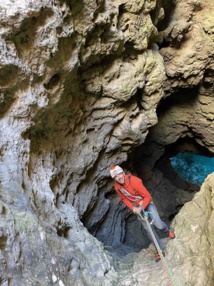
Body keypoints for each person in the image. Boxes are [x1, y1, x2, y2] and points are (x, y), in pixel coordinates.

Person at [110, 165, 175, 262]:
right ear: (114, 179)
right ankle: (160, 251)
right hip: (136, 207)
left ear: (123, 173)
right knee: (149, 230)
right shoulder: (117, 187)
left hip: (147, 203)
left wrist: (141, 207)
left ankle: (166, 231)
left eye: (119, 174)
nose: (119, 177)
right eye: (116, 176)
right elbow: (124, 199)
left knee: (158, 224)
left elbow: (147, 196)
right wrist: (133, 208)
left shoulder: (135, 182)